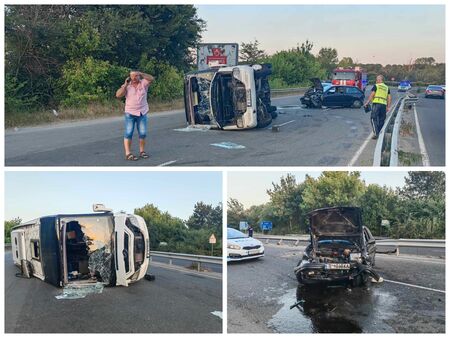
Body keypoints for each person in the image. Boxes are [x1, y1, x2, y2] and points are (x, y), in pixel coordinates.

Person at [116, 71, 155, 161]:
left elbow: (151, 78)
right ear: (129, 77)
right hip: (130, 113)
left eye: (136, 76)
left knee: (142, 133)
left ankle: (142, 151)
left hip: (142, 112)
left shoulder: (143, 83)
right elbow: (118, 95)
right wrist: (125, 85)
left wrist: (141, 73)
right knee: (129, 133)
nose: (134, 78)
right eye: (132, 76)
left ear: (139, 76)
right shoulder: (127, 86)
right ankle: (128, 153)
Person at [364, 75, 392, 139]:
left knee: (373, 118)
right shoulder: (387, 87)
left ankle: (376, 133)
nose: (376, 81)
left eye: (377, 79)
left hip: (376, 103)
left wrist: (367, 102)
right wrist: (388, 107)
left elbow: (372, 94)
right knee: (381, 120)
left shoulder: (376, 86)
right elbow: (389, 98)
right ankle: (379, 132)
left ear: (379, 80)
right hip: (384, 105)